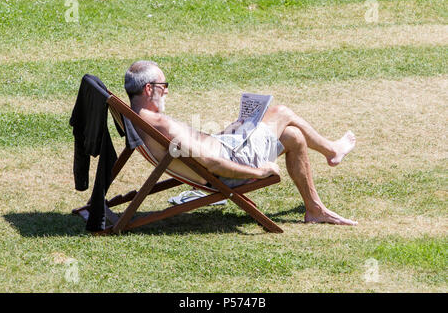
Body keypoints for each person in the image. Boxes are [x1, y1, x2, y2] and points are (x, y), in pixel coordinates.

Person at [124, 60, 358, 225]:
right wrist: (258, 172)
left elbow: (201, 151)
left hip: (227, 147)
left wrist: (231, 131)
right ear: (148, 89)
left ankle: (314, 210)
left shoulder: (136, 117)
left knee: (292, 137)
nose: (166, 92)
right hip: (229, 165)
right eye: (163, 87)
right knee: (282, 112)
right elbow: (212, 164)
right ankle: (332, 151)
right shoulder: (159, 124)